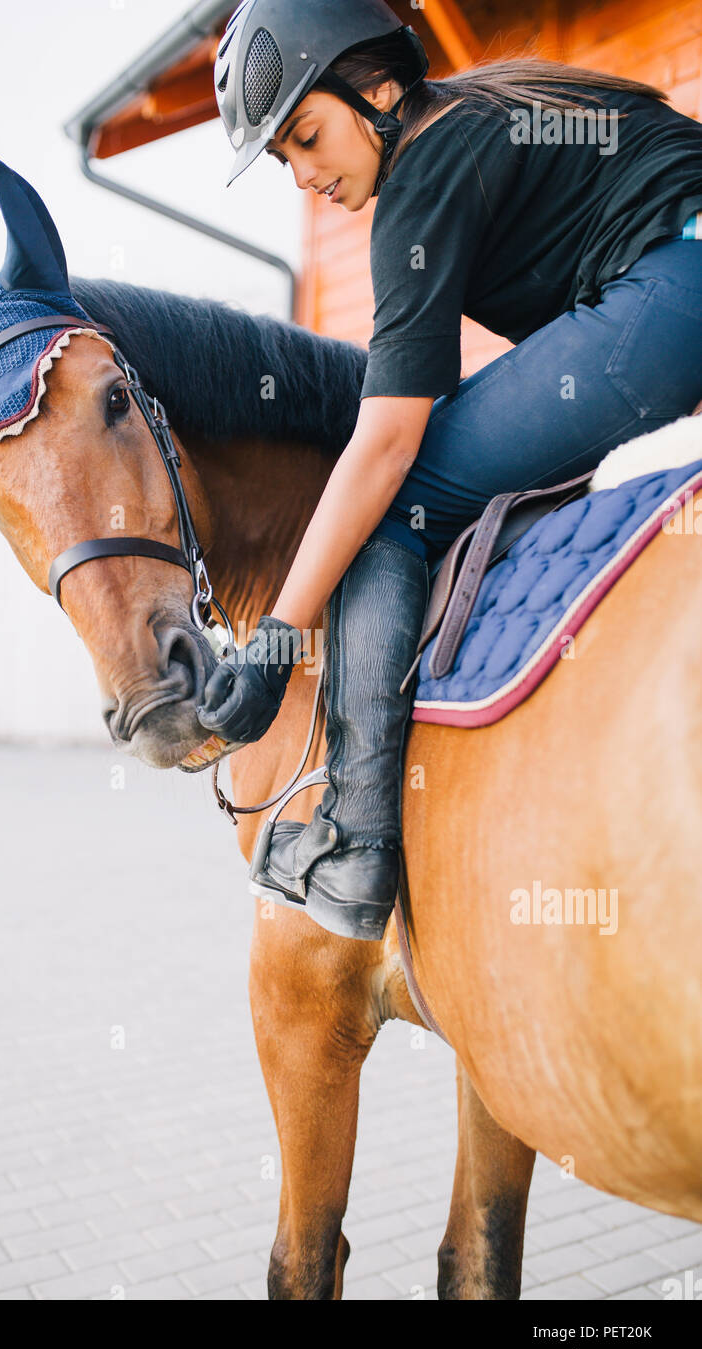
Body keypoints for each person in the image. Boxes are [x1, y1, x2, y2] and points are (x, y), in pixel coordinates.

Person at [195, 0, 702, 941]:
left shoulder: (424, 175)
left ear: (377, 88)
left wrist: (275, 640)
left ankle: (353, 839)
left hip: (675, 303)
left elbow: (385, 447)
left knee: (392, 512)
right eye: (283, 161)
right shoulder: (486, 111)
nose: (304, 175)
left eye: (306, 135)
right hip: (676, 281)